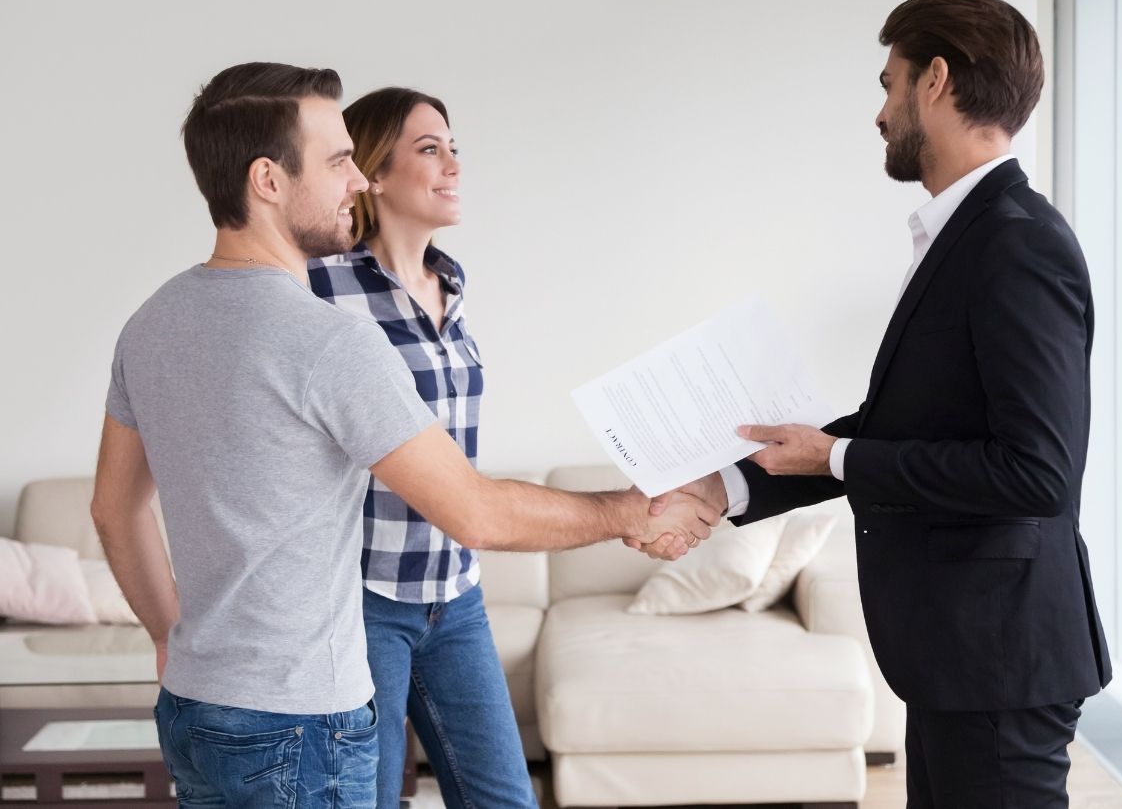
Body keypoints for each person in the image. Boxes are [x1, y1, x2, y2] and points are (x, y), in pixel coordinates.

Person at [89, 62, 716, 809]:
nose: (356, 180)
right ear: (268, 180)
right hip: (301, 722)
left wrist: (169, 635)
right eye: (336, 160)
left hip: (196, 705)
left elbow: (113, 510)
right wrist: (628, 510)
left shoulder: (151, 323)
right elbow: (475, 511)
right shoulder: (328, 340)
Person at [644, 0, 1111, 808]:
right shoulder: (968, 235)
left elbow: (1038, 474)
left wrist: (837, 454)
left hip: (998, 658)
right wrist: (728, 486)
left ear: (935, 81)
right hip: (958, 656)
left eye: (888, 82)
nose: (879, 111)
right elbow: (910, 430)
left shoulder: (1017, 242)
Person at [307, 87, 533, 808]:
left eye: (454, 148)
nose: (453, 164)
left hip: (455, 596)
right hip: (362, 600)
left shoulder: (453, 286)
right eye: (429, 149)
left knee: (504, 800)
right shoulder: (321, 288)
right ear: (372, 172)